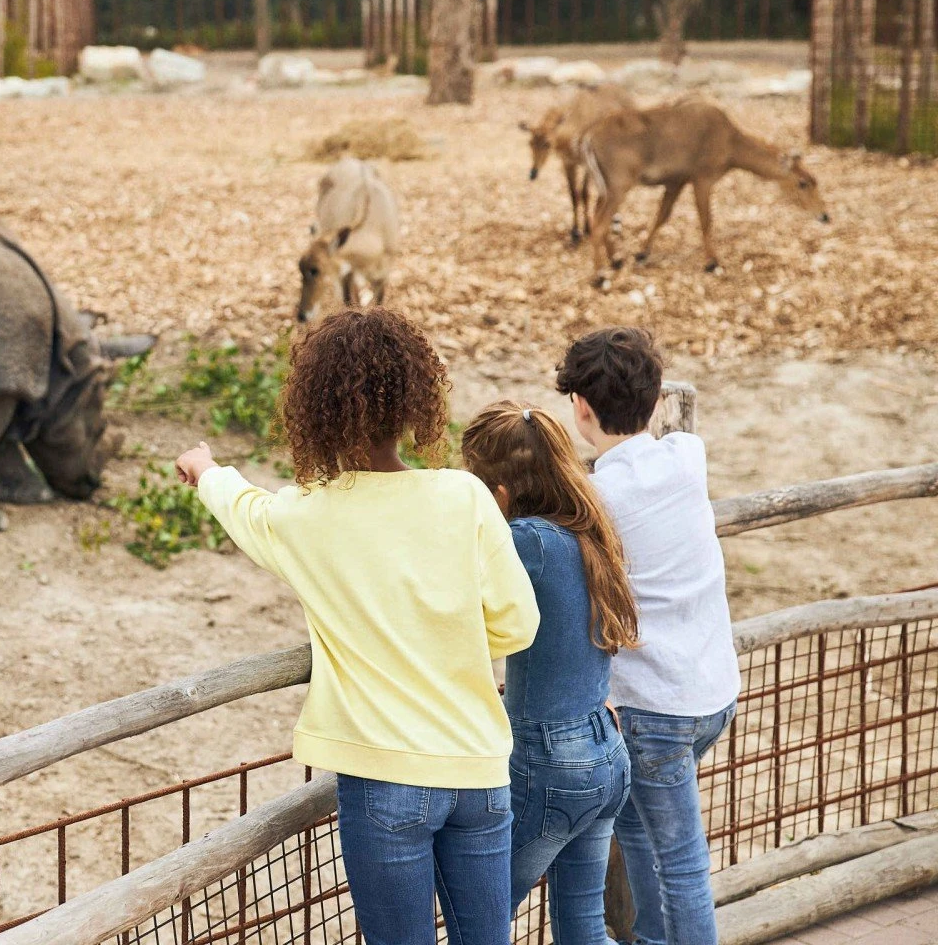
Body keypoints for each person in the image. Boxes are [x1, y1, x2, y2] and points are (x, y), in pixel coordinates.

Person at [173, 308, 540, 945]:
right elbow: (518, 625)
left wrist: (207, 470)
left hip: (385, 780)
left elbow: (248, 510)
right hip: (478, 769)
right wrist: (440, 636)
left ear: (316, 409)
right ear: (413, 403)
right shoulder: (464, 496)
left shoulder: (305, 515)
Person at [556, 326, 740, 945]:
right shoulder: (688, 455)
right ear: (658, 400)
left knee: (680, 861)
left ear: (581, 408)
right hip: (713, 692)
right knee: (638, 830)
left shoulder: (594, 499)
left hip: (652, 709)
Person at [461, 400, 639, 943]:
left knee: (479, 915)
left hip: (551, 763)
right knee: (583, 927)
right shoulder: (586, 531)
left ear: (499, 495)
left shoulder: (526, 541)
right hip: (605, 750)